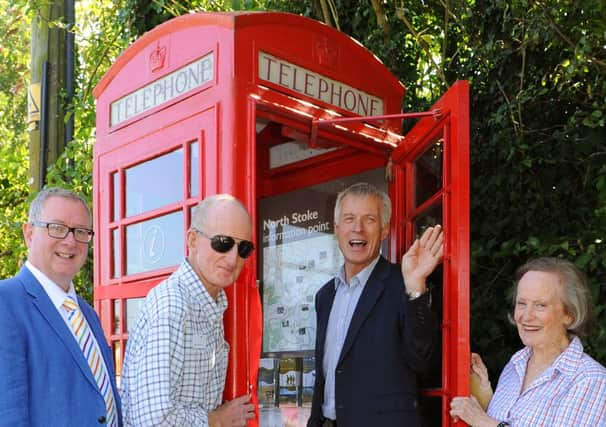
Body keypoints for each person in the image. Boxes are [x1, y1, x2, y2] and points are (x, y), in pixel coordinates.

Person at [307, 182, 443, 427]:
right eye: (349, 219)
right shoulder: (325, 296)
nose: (357, 228)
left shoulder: (402, 283)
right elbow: (326, 375)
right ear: (336, 229)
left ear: (384, 230)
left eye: (369, 219)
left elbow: (424, 362)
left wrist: (415, 287)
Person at [121, 194, 256, 427]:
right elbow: (152, 420)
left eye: (243, 248)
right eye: (222, 243)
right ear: (192, 240)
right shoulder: (171, 306)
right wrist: (217, 420)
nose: (233, 258)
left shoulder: (210, 306)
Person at [0, 187, 122, 426]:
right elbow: (7, 413)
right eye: (56, 228)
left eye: (80, 231)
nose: (70, 241)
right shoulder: (6, 302)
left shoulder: (87, 314)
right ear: (29, 234)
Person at [450, 257, 606, 426]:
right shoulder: (515, 365)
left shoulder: (590, 380)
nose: (526, 316)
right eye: (522, 303)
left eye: (541, 305)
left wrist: (482, 421)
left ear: (569, 315)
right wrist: (483, 391)